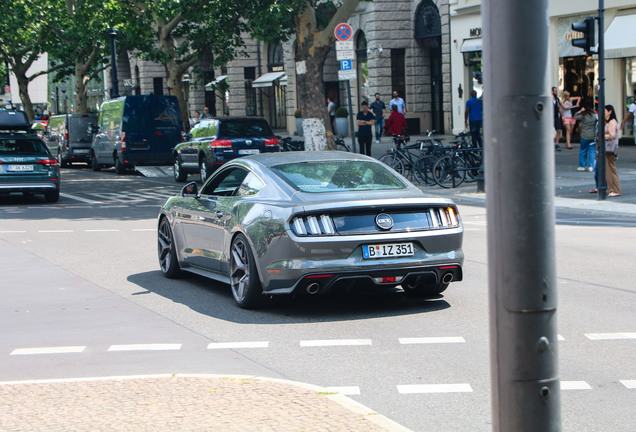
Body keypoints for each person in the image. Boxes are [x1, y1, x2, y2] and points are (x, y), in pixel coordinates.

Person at [573, 100, 597, 172]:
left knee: (583, 150)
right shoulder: (594, 115)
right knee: (592, 151)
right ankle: (591, 166)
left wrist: (579, 111)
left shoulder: (583, 116)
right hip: (593, 135)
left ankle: (582, 166)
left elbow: (575, 117)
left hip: (584, 135)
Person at [604, 104, 622, 197]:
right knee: (609, 168)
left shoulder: (612, 122)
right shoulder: (609, 122)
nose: (603, 113)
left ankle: (614, 189)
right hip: (609, 148)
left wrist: (602, 136)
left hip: (610, 148)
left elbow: (612, 135)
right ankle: (612, 188)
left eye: (605, 111)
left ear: (610, 111)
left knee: (610, 168)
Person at [552, 87, 564, 151]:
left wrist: (562, 116)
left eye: (556, 91)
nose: (556, 92)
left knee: (559, 130)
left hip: (556, 116)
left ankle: (556, 144)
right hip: (550, 117)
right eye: (555, 91)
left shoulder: (557, 99)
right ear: (552, 92)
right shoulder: (549, 99)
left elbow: (559, 107)